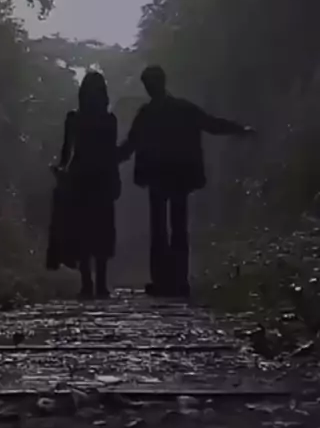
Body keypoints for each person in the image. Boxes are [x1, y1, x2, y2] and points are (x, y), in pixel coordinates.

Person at [118, 65, 255, 299]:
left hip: (161, 176)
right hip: (177, 175)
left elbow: (130, 145)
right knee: (175, 228)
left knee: (163, 229)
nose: (150, 88)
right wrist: (240, 129)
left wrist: (107, 158)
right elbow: (211, 124)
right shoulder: (179, 109)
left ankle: (165, 280)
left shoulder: (148, 113)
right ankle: (176, 281)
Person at [46, 71, 120, 298]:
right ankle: (100, 285)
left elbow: (66, 151)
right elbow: (111, 153)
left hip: (80, 178)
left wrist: (61, 171)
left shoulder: (74, 118)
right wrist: (115, 178)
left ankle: (88, 284)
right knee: (101, 230)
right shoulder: (109, 120)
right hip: (101, 178)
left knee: (83, 232)